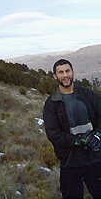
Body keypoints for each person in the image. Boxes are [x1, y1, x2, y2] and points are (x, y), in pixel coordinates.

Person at [47, 59, 101, 198]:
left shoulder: (88, 95)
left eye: (67, 71)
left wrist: (97, 136)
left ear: (73, 72)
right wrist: (79, 140)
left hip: (95, 157)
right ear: (55, 76)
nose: (65, 75)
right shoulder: (51, 103)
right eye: (61, 72)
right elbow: (53, 134)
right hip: (70, 161)